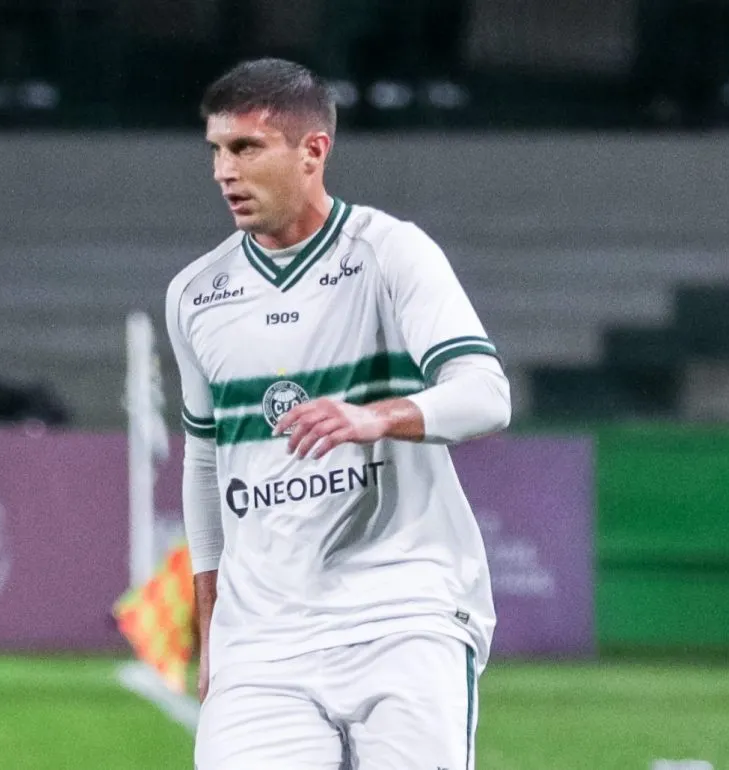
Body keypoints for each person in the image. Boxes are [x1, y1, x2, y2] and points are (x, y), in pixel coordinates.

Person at [165, 58, 511, 770]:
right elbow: (205, 463)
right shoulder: (196, 295)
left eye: (246, 148)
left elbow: (485, 393)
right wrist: (212, 627)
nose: (223, 171)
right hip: (263, 638)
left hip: (402, 612)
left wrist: (376, 417)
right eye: (216, 150)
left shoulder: (391, 253)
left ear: (313, 150)